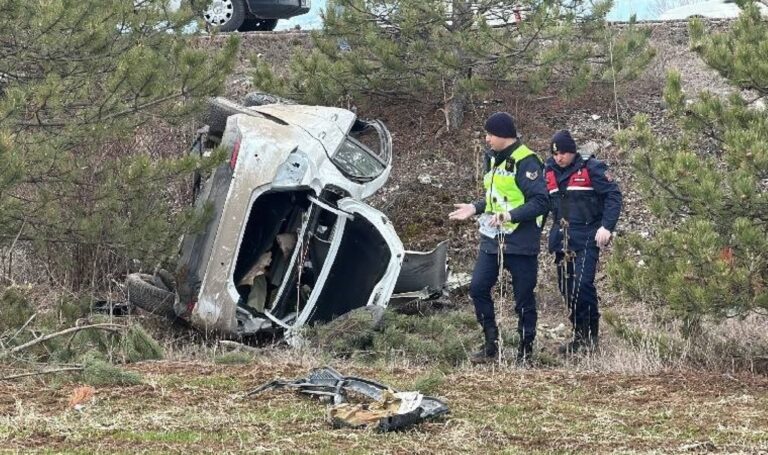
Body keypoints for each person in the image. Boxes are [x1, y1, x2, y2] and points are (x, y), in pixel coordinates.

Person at [449, 112, 548, 364]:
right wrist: (475, 207)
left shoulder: (527, 161)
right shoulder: (492, 159)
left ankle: (525, 352)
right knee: (478, 288)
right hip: (493, 238)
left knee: (523, 297)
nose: (486, 139)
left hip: (521, 240)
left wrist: (510, 215)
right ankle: (491, 344)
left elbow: (541, 201)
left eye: (490, 134)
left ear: (503, 135)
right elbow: (495, 196)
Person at [544, 130, 622, 354]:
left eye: (564, 153)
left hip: (587, 235)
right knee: (567, 288)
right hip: (562, 238)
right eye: (556, 154)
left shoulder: (591, 168)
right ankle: (579, 335)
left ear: (573, 151)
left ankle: (591, 337)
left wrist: (607, 226)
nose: (559, 158)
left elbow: (613, 195)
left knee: (582, 285)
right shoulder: (548, 171)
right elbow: (542, 203)